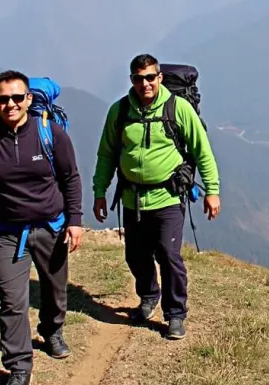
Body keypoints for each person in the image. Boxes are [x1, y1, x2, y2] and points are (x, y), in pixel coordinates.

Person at [0, 70, 84, 385]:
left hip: (51, 228)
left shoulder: (50, 133)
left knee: (54, 290)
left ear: (28, 99)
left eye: (16, 98)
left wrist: (75, 221)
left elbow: (71, 179)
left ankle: (52, 331)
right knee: (12, 301)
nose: (10, 104)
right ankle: (19, 366)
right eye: (3, 99)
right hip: (8, 233)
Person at [92, 54, 221, 340]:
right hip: (131, 198)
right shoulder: (120, 111)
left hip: (168, 197)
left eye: (150, 77)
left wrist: (212, 190)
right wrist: (99, 191)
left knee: (168, 254)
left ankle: (175, 314)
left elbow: (202, 151)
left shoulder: (179, 108)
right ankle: (149, 296)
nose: (145, 83)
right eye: (139, 78)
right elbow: (107, 154)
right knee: (135, 255)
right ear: (131, 80)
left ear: (160, 77)